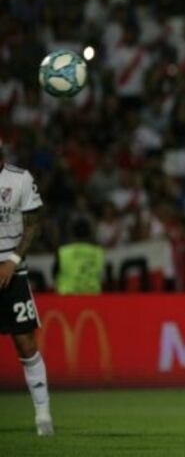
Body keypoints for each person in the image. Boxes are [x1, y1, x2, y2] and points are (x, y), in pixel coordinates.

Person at [0, 138, 53, 435]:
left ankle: (42, 414)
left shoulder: (19, 179)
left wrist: (13, 260)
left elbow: (34, 224)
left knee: (25, 343)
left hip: (13, 272)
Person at [55, 219, 104, 294]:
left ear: (73, 233)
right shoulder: (99, 251)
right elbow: (101, 273)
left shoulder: (63, 251)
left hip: (67, 297)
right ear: (89, 233)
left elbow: (55, 273)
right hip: (92, 296)